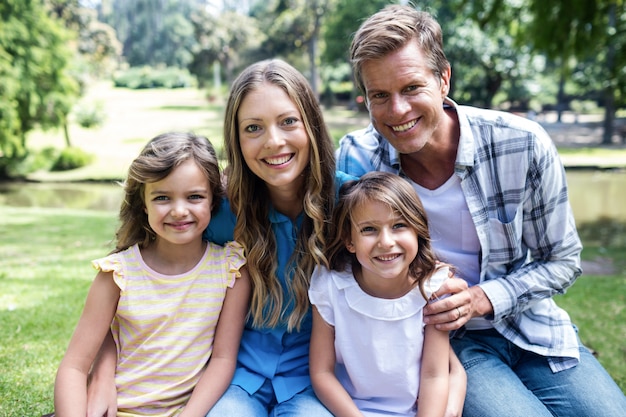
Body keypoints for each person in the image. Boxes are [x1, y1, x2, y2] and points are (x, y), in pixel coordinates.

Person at [85, 59, 466, 417]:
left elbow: (411, 284)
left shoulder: (354, 210)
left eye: (288, 121)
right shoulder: (213, 212)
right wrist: (103, 370)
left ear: (311, 126)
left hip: (316, 382)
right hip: (236, 376)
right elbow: (125, 285)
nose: (273, 141)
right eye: (253, 128)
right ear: (236, 139)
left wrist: (454, 370)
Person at [336, 4, 626, 417]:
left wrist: (480, 299)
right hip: (442, 342)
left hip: (529, 323)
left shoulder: (521, 143)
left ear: (443, 79)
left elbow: (561, 260)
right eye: (380, 96)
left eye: (412, 88)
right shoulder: (359, 156)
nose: (397, 111)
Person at [53, 132, 251, 417]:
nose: (179, 211)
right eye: (162, 197)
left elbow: (222, 359)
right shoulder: (117, 274)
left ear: (213, 201)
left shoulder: (231, 270)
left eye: (194, 196)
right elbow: (74, 366)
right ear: (144, 203)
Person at [309, 171, 459, 417]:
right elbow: (321, 373)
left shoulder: (433, 288)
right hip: (349, 411)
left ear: (417, 230)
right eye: (369, 229)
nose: (386, 242)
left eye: (399, 226)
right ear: (350, 241)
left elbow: (435, 374)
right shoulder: (330, 287)